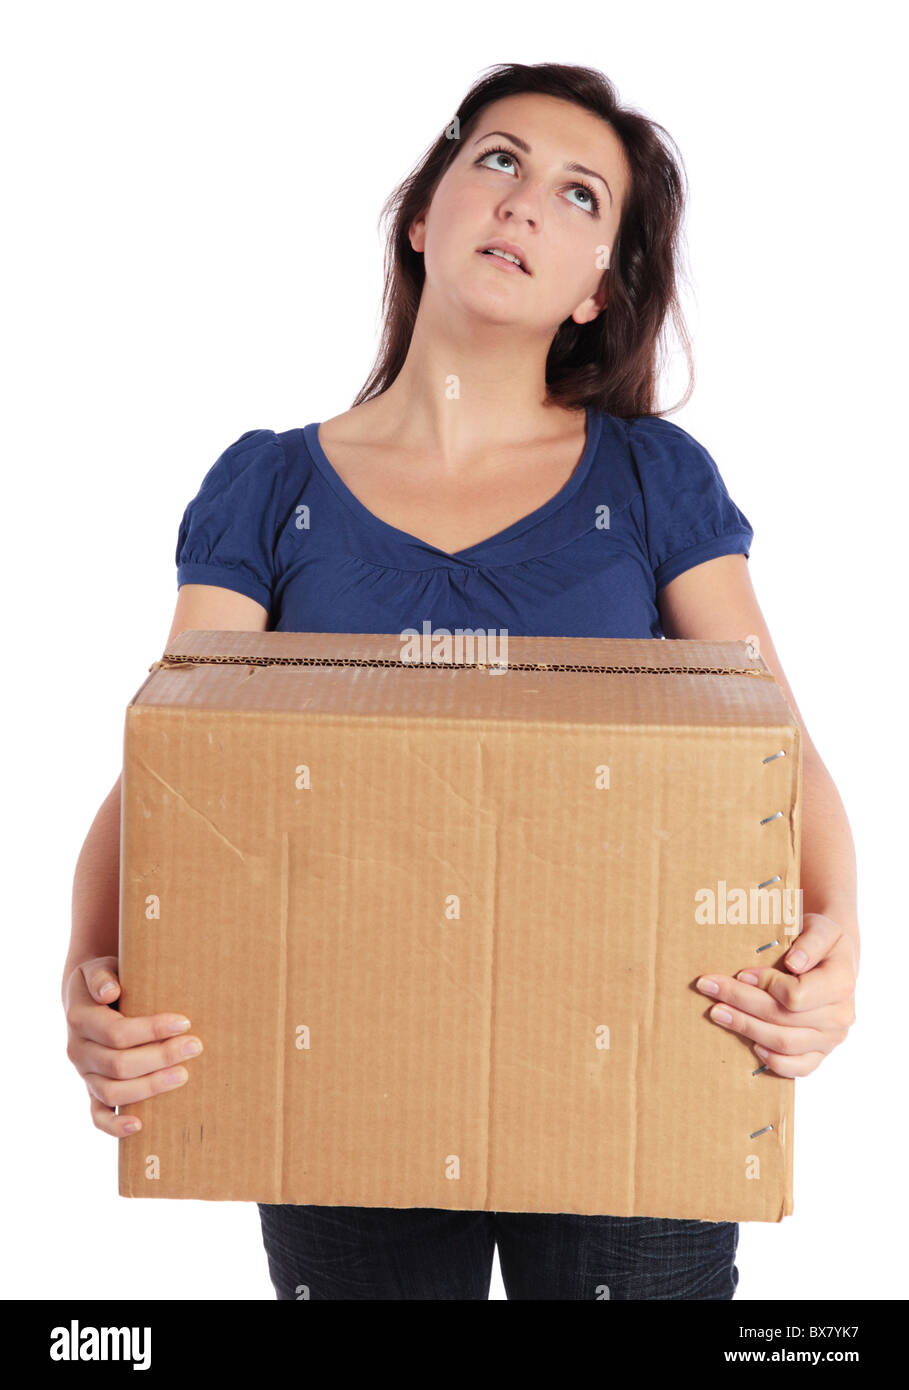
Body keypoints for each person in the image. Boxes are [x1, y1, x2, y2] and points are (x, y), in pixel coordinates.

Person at [63, 61, 860, 1300]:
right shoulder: (269, 487)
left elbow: (776, 748)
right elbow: (174, 760)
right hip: (339, 1066)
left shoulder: (652, 481)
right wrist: (89, 967)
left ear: (600, 289)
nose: (527, 200)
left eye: (579, 194)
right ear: (423, 217)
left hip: (638, 1065)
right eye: (498, 159)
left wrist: (839, 944)